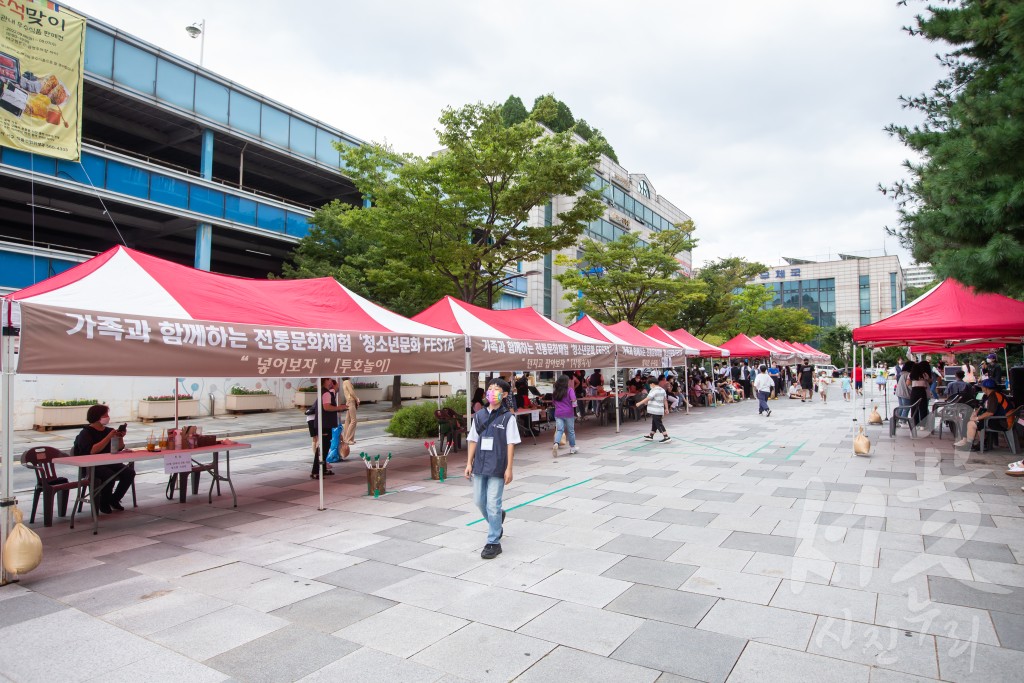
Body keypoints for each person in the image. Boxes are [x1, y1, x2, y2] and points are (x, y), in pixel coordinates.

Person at [464, 378, 520, 559]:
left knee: (493, 504)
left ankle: (493, 542)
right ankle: (498, 519)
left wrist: (509, 468)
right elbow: (473, 440)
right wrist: (468, 463)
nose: (491, 392)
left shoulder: (507, 417)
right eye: (489, 388)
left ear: (504, 395)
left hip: (497, 465)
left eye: (496, 389)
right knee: (480, 502)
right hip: (480, 464)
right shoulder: (479, 415)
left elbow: (511, 443)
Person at [73, 404, 135, 514]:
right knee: (109, 474)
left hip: (109, 461)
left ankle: (114, 499)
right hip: (91, 465)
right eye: (105, 414)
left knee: (129, 472)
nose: (108, 417)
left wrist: (120, 437)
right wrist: (108, 437)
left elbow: (119, 448)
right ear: (97, 417)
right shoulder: (86, 433)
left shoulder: (109, 430)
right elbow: (93, 450)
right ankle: (104, 502)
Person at [955, 379, 1010, 451]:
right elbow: (982, 407)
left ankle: (976, 444)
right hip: (997, 419)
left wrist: (977, 418)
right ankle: (969, 442)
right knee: (969, 419)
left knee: (973, 423)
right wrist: (975, 414)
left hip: (1003, 422)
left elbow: (990, 412)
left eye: (982, 387)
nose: (981, 388)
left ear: (986, 388)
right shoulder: (989, 395)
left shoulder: (994, 396)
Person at [308, 377, 345, 478]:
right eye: (329, 379)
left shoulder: (326, 392)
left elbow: (334, 390)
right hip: (324, 424)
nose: (331, 381)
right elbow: (327, 407)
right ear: (325, 381)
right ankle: (315, 471)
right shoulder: (326, 393)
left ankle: (322, 469)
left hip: (324, 423)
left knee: (325, 447)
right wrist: (339, 408)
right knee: (323, 448)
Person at [551, 375, 578, 457]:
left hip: (558, 413)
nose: (569, 382)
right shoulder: (570, 390)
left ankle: (556, 443)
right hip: (568, 413)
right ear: (565, 382)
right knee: (571, 431)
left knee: (559, 430)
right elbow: (573, 400)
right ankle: (572, 447)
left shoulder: (555, 392)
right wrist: (574, 405)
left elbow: (553, 403)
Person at [909, 360, 932, 429]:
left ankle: (915, 423)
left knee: (914, 408)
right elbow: (930, 381)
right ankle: (922, 425)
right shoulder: (924, 374)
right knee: (923, 408)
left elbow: (908, 383)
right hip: (922, 391)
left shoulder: (911, 375)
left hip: (914, 391)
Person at [341, 376, 360, 446]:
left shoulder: (344, 382)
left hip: (348, 401)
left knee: (347, 421)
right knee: (353, 420)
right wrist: (357, 399)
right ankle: (348, 439)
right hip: (351, 401)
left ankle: (347, 438)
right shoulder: (347, 382)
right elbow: (351, 392)